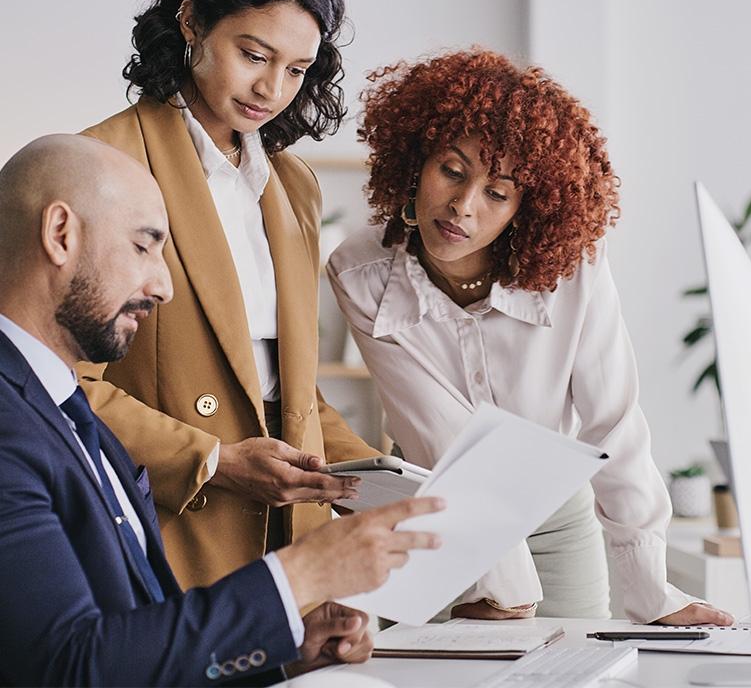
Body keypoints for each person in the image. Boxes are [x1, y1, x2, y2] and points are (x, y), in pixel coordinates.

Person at [0, 133, 443, 687]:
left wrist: (281, 655)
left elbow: (126, 650)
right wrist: (299, 575)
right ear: (60, 234)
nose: (163, 286)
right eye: (143, 247)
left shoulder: (68, 411)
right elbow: (68, 669)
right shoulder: (12, 426)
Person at [327, 49, 734, 626]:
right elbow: (435, 431)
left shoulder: (574, 269)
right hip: (435, 512)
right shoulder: (360, 272)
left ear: (526, 207)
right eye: (452, 171)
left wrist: (652, 591)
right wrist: (501, 585)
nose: (463, 206)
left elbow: (613, 422)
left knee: (570, 663)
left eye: (497, 193)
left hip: (557, 519)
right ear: (416, 160)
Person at [77, 0, 381, 590]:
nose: (271, 88)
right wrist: (213, 459)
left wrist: (386, 480)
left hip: (291, 535)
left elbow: (286, 390)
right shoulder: (102, 166)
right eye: (253, 54)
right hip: (167, 526)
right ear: (191, 20)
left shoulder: (293, 185)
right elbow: (55, 384)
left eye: (296, 70)